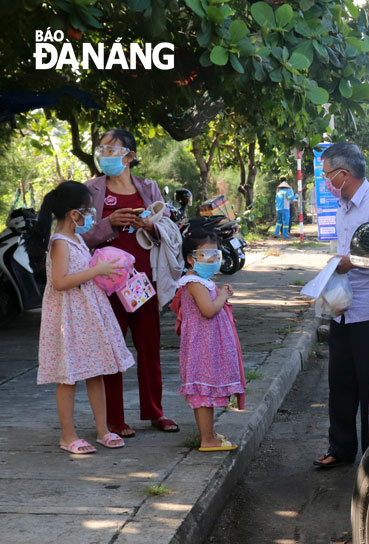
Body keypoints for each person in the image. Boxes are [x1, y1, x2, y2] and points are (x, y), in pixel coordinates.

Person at [81, 128, 179, 437]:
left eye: (113, 151)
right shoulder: (90, 190)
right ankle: (115, 419)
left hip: (143, 282)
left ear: (130, 156)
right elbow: (80, 237)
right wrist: (110, 223)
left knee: (149, 348)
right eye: (102, 150)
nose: (105, 156)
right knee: (111, 350)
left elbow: (167, 229)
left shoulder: (148, 188)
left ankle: (155, 412)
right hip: (107, 284)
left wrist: (148, 225)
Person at [27, 181, 134, 454]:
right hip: (69, 317)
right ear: (74, 214)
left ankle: (102, 430)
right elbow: (60, 281)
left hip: (87, 314)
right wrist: (96, 269)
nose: (91, 217)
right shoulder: (60, 242)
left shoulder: (76, 239)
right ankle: (67, 435)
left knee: (96, 371)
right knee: (68, 377)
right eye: (87, 211)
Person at [314, 143, 369, 470]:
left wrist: (352, 262)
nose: (325, 182)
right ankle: (342, 447)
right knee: (340, 382)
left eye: (327, 176)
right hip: (344, 308)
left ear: (343, 174)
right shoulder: (342, 207)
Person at [169, 229, 245, 452]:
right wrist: (222, 296)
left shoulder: (202, 281)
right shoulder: (195, 283)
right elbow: (208, 310)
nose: (213, 259)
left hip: (207, 345)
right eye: (206, 254)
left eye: (215, 254)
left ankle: (209, 433)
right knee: (203, 393)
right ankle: (207, 438)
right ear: (191, 258)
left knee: (207, 392)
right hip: (203, 348)